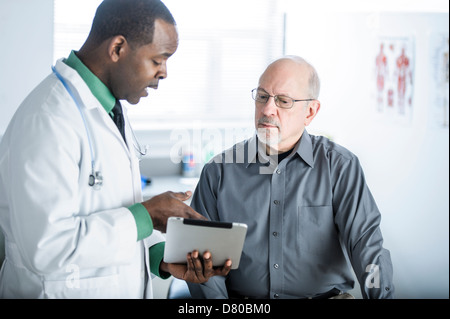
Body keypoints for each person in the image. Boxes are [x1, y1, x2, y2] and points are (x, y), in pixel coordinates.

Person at [0, 0, 231, 299]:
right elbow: (47, 248)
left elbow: (111, 209)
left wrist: (159, 255)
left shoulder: (107, 110)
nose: (164, 73)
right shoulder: (47, 120)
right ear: (118, 48)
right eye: (158, 60)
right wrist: (148, 215)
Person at [187, 55, 395, 299]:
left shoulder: (340, 167)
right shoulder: (218, 172)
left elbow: (367, 247)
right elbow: (202, 263)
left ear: (310, 111)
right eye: (262, 97)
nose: (267, 110)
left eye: (283, 101)